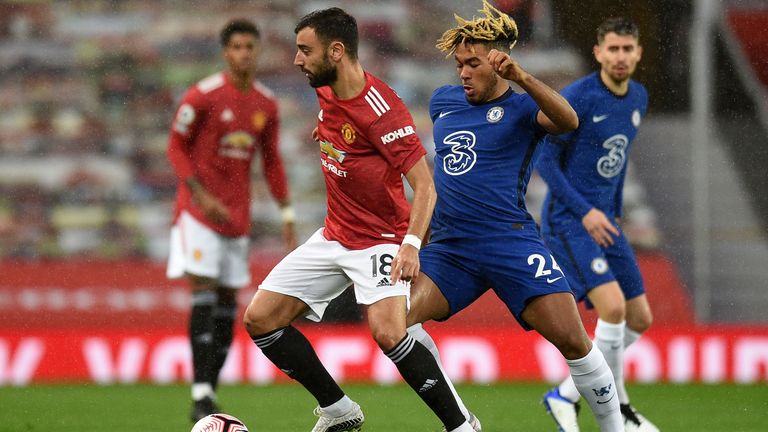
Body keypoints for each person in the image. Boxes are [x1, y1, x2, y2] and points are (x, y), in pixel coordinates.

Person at [242, 8, 476, 432]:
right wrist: (326, 131)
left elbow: (425, 186)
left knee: (388, 333)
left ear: (336, 51)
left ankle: (461, 425)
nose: (298, 60)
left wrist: (410, 244)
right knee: (260, 319)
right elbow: (340, 125)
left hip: (380, 239)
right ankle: (339, 412)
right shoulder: (326, 88)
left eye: (305, 50)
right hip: (335, 235)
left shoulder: (383, 110)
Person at [403, 2, 624, 431]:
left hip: (510, 242)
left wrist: (522, 77)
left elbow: (569, 120)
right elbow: (439, 175)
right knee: (394, 324)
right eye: (459, 64)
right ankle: (462, 421)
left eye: (473, 64)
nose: (463, 73)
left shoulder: (525, 108)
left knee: (574, 341)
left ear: (499, 64)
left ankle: (613, 427)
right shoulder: (442, 102)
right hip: (451, 249)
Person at [166, 19, 297, 422]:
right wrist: (201, 194)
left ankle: (209, 390)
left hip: (237, 217)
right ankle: (201, 391)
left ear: (257, 51)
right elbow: (175, 146)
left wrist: (287, 211)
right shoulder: (203, 96)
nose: (243, 53)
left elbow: (271, 160)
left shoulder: (265, 104)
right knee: (204, 290)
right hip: (198, 212)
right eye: (236, 47)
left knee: (228, 303)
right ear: (226, 52)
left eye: (249, 47)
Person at [537, 17, 659, 432]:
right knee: (613, 309)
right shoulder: (579, 97)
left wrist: (614, 207)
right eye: (613, 49)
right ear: (599, 53)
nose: (621, 57)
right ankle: (620, 408)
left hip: (607, 219)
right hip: (570, 219)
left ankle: (565, 394)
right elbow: (545, 161)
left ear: (638, 53)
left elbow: (619, 159)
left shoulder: (638, 97)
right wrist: (586, 211)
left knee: (640, 317)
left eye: (628, 49)